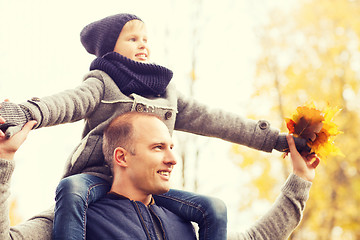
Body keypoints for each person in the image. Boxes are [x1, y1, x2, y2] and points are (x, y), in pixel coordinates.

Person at [0, 13, 309, 240]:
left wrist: (281, 146)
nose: (142, 45)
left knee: (214, 207)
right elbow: (64, 104)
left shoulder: (167, 94)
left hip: (151, 196)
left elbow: (218, 122)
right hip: (93, 179)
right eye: (132, 39)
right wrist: (21, 117)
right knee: (70, 188)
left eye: (145, 39)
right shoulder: (101, 85)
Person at [0, 112, 319, 239]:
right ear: (121, 156)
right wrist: (4, 160)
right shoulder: (77, 216)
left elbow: (255, 238)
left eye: (171, 147)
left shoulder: (185, 223)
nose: (172, 159)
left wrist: (300, 181)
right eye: (157, 148)